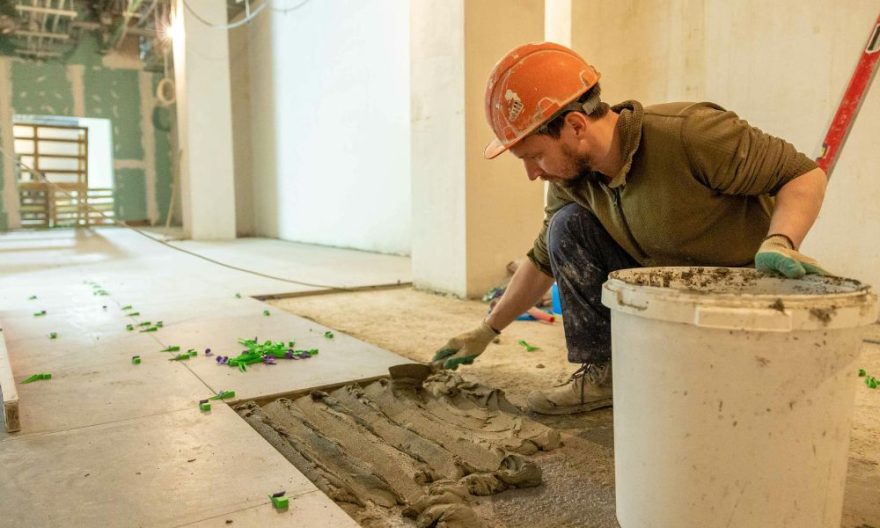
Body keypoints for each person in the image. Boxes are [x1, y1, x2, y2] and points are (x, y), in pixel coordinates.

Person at [432, 42, 829, 415]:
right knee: (566, 227)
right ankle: (606, 374)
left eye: (534, 156)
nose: (532, 173)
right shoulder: (571, 180)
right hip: (663, 291)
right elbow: (541, 261)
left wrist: (781, 240)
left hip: (736, 295)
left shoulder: (690, 134)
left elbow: (803, 174)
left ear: (575, 126)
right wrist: (486, 330)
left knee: (732, 401)